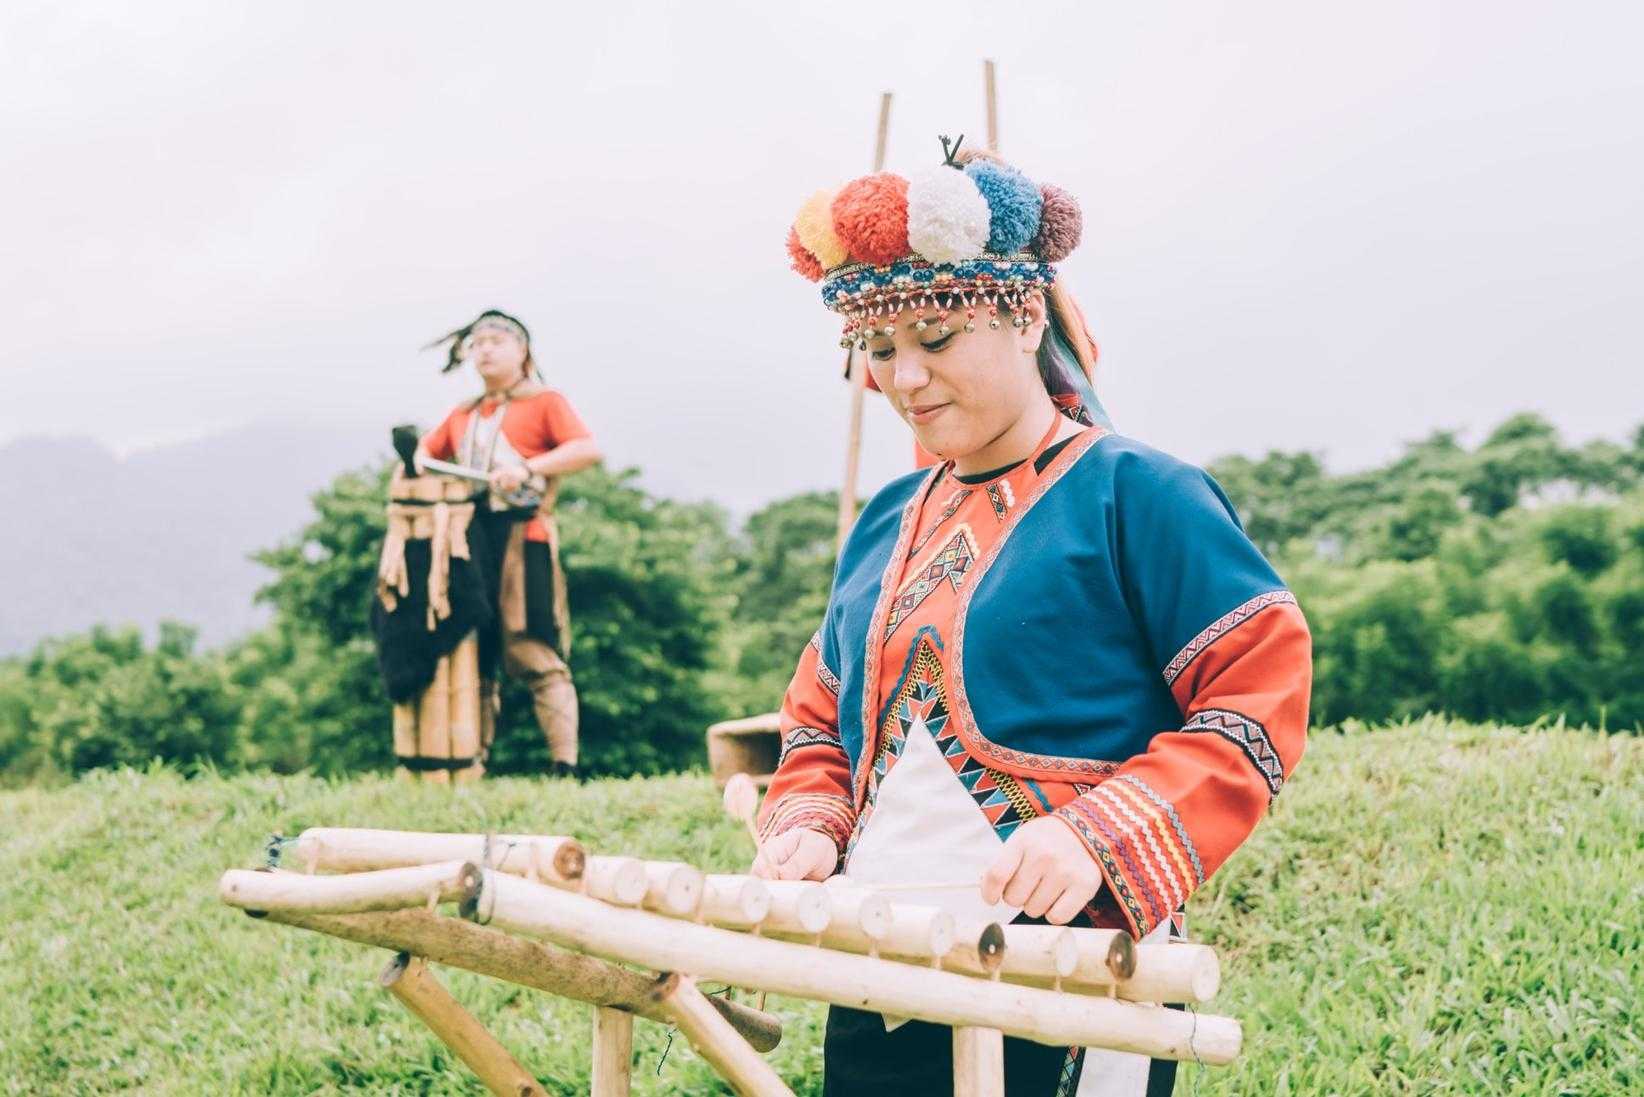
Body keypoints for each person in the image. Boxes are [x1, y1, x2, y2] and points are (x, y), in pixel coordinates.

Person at [753, 139, 1313, 1096]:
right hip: (877, 972)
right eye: (879, 350)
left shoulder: (1137, 493)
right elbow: (819, 719)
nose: (907, 377)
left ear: (1022, 318)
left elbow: (1253, 697)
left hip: (1073, 977)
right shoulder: (884, 523)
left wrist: (1098, 835)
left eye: (936, 337)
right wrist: (812, 821)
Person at [417, 309, 602, 779]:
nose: (485, 350)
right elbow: (424, 456)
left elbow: (585, 449)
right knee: (474, 647)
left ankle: (565, 765)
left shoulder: (545, 402)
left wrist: (528, 469)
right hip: (472, 539)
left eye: (497, 341)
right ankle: (471, 762)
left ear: (522, 351)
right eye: (477, 343)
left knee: (530, 645)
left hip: (526, 534)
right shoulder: (461, 414)